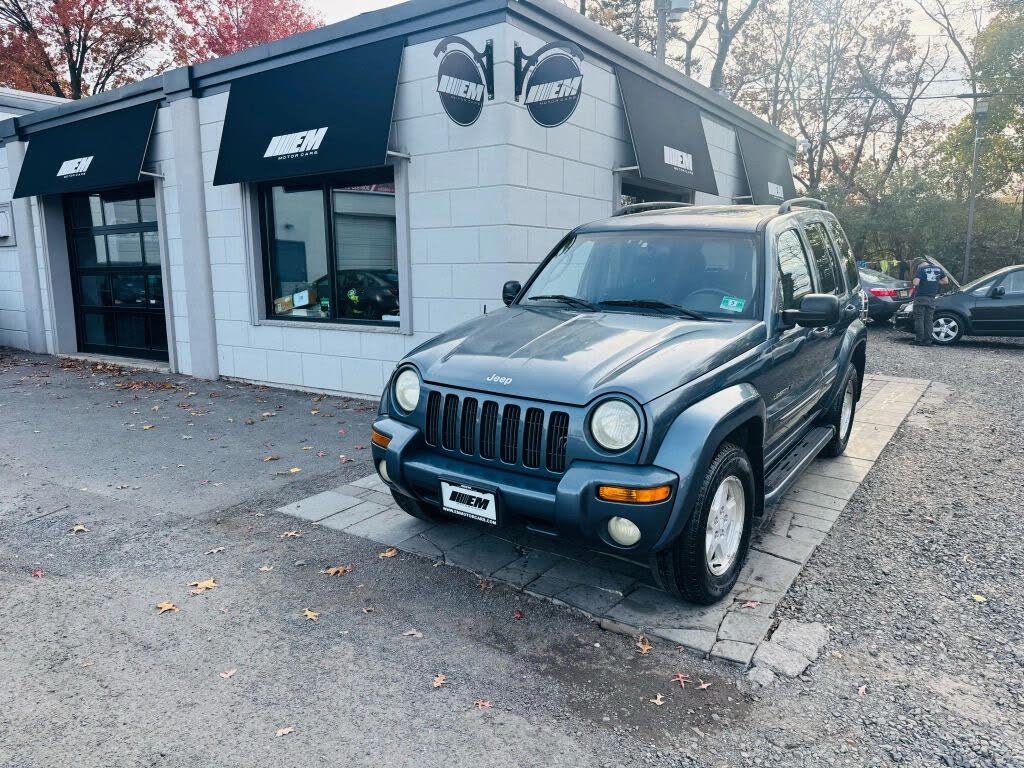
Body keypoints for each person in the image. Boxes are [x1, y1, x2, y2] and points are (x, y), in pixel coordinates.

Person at [912, 259, 949, 345]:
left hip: (920, 297)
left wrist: (920, 279)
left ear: (920, 265)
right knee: (929, 319)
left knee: (919, 319)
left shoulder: (921, 269)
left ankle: (919, 340)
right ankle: (928, 340)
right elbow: (946, 281)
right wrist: (934, 281)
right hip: (932, 298)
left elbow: (916, 283)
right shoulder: (938, 269)